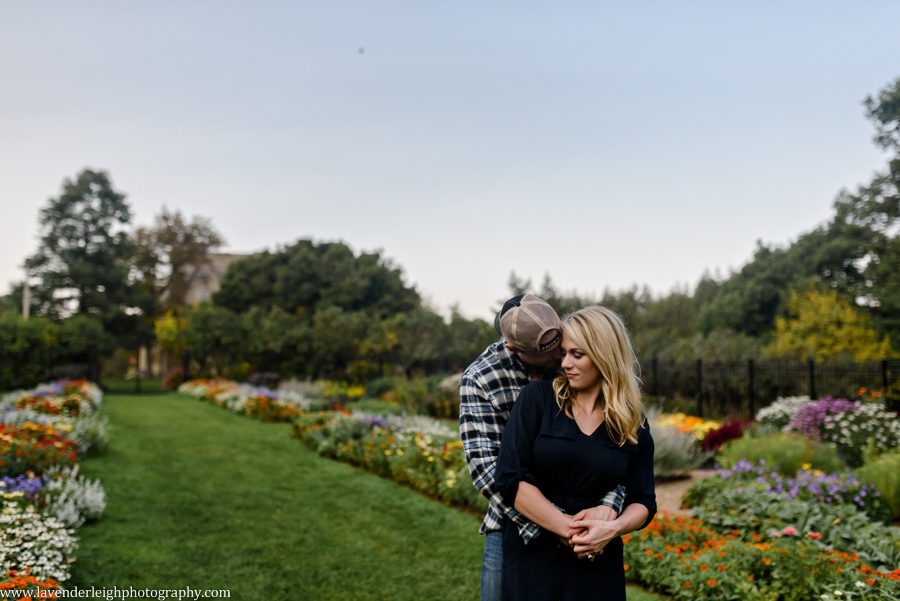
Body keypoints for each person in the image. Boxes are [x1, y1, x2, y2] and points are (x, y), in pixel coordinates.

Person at [460, 295, 626, 601]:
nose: (561, 362)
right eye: (550, 356)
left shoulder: (575, 357)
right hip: (517, 523)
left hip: (583, 519)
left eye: (563, 348)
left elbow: (613, 452)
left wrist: (606, 507)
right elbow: (489, 472)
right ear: (515, 349)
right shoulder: (481, 379)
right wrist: (558, 525)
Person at [493, 305, 656, 601]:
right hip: (533, 560)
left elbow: (643, 500)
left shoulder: (632, 423)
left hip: (597, 566)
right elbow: (510, 479)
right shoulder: (537, 400)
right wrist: (574, 533)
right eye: (565, 353)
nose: (565, 363)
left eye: (577, 355)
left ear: (604, 356)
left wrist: (613, 528)